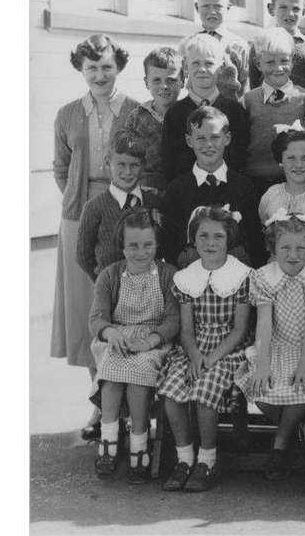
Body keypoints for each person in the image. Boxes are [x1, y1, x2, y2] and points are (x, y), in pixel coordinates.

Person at [52, 33, 142, 441]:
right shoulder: (68, 113)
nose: (100, 75)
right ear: (81, 71)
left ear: (118, 67)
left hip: (128, 210)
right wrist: (83, 204)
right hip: (81, 214)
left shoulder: (136, 112)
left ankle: (134, 404)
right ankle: (100, 406)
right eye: (92, 68)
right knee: (91, 312)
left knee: (128, 305)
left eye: (106, 66)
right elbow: (61, 167)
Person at [158, 206, 253, 493]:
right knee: (173, 393)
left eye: (217, 237)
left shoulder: (241, 276)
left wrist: (210, 358)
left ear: (228, 240)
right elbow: (186, 330)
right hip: (195, 346)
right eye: (203, 236)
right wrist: (196, 355)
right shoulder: (188, 277)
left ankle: (207, 460)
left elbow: (239, 331)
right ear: (193, 239)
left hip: (227, 348)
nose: (210, 243)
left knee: (203, 394)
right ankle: (184, 458)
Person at [234, 212, 305, 480]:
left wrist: (304, 364)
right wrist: (262, 364)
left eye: (301, 248)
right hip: (275, 345)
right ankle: (294, 442)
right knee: (260, 387)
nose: (293, 254)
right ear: (273, 249)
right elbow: (264, 323)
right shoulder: (264, 276)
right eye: (285, 247)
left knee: (301, 384)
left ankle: (279, 447)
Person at [87, 208, 177, 484]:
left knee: (139, 374)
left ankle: (140, 441)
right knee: (112, 370)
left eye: (148, 245)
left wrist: (151, 339)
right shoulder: (110, 275)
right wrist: (111, 334)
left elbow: (173, 318)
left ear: (157, 244)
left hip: (151, 341)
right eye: (133, 246)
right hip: (117, 338)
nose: (141, 252)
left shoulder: (167, 275)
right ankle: (110, 440)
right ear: (122, 247)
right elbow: (97, 317)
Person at [160, 106, 263, 268]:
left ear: (227, 138)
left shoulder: (244, 186)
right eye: (200, 138)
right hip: (191, 275)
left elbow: (255, 240)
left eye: (215, 137)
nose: (208, 144)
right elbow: (169, 242)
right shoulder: (176, 189)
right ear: (189, 141)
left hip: (235, 275)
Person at [160, 34, 251, 182]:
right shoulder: (175, 113)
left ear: (221, 67)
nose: (202, 69)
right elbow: (169, 162)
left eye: (208, 63)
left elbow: (240, 159)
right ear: (185, 67)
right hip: (187, 193)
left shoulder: (235, 111)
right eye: (195, 63)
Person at [76, 130, 162, 281]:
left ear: (143, 165)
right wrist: (104, 283)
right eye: (121, 164)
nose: (127, 172)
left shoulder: (154, 202)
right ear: (108, 161)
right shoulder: (94, 208)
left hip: (151, 292)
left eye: (135, 165)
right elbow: (83, 256)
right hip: (113, 296)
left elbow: (162, 248)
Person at [242, 28, 305, 187]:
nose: (278, 68)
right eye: (270, 62)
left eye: (284, 61)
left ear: (293, 61)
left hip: (296, 182)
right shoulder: (248, 101)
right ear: (258, 64)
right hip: (255, 180)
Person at [258, 125, 305, 265]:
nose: (298, 164)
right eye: (291, 158)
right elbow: (264, 223)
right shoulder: (271, 195)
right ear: (280, 161)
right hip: (276, 267)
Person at [122, 46, 182, 194]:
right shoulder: (136, 117)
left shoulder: (188, 114)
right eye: (156, 80)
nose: (164, 86)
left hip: (180, 188)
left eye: (171, 80)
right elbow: (127, 158)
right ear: (146, 82)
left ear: (183, 80)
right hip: (144, 189)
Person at [181, 0, 249, 101]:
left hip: (229, 111)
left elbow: (244, 86)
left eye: (218, 6)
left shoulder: (238, 45)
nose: (212, 12)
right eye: (206, 6)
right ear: (197, 7)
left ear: (228, 7)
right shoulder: (187, 44)